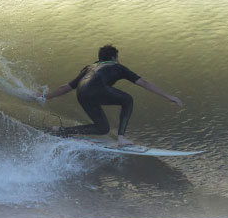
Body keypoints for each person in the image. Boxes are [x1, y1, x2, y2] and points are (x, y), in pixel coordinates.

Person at [36, 44, 183, 147]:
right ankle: (121, 138)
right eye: (117, 57)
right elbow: (144, 83)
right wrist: (169, 96)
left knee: (103, 129)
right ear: (114, 57)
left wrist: (45, 97)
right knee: (128, 100)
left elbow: (66, 87)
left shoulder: (90, 67)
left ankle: (59, 131)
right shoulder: (117, 67)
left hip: (82, 93)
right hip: (96, 89)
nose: (118, 60)